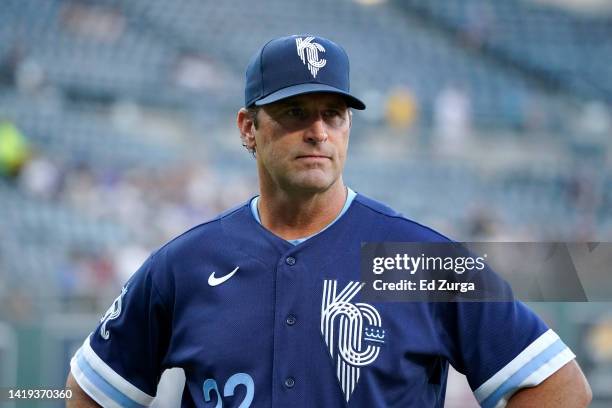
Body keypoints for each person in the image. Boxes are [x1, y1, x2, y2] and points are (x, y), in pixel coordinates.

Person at [66, 35, 591, 407]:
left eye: (333, 114)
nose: (318, 130)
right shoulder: (187, 264)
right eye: (295, 112)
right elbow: (93, 392)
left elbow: (557, 385)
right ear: (248, 128)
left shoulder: (414, 259)